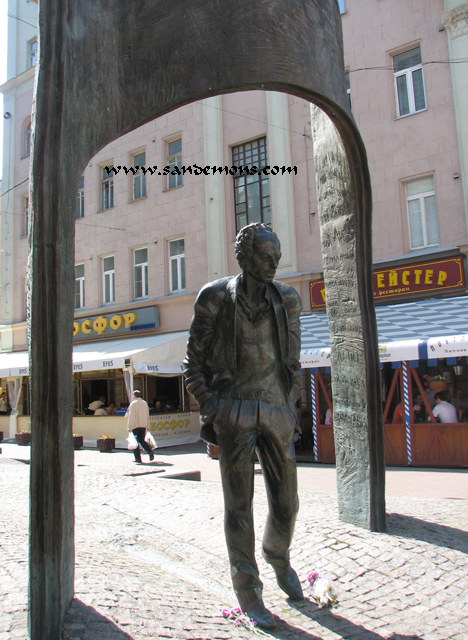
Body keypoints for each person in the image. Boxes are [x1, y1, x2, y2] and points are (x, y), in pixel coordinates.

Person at [184, 223, 303, 630]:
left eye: (277, 256)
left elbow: (292, 362)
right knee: (239, 507)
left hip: (275, 410)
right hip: (233, 410)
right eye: (266, 256)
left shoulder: (288, 299)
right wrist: (214, 407)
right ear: (245, 258)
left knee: (287, 504)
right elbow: (192, 363)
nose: (274, 263)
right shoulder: (215, 297)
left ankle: (277, 552)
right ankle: (248, 591)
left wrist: (291, 409)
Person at [126, 390, 154, 463]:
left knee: (135, 441)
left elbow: (131, 416)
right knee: (141, 440)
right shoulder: (144, 403)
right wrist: (147, 425)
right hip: (143, 424)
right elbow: (147, 415)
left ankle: (138, 458)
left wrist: (129, 426)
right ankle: (149, 451)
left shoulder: (133, 404)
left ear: (134, 396)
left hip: (135, 425)